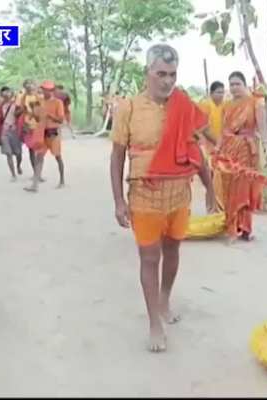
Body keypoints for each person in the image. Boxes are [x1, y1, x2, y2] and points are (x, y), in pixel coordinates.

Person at [110, 44, 215, 353]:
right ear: (148, 73)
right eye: (161, 74)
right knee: (149, 257)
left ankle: (165, 298)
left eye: (172, 75)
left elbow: (198, 150)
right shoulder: (128, 108)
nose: (168, 81)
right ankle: (154, 321)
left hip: (179, 194)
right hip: (144, 195)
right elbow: (117, 157)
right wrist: (118, 200)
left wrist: (210, 187)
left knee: (173, 251)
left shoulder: (183, 106)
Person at [212, 71, 266, 243]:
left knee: (243, 188)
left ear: (244, 84)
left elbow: (262, 128)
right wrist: (217, 149)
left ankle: (245, 229)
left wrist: (265, 147)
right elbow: (223, 130)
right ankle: (232, 228)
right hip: (228, 150)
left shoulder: (255, 103)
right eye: (232, 84)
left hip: (246, 150)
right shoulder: (226, 106)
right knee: (228, 189)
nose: (234, 88)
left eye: (237, 84)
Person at [24, 80, 65, 192]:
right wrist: (32, 116)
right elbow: (37, 117)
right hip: (43, 133)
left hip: (53, 133)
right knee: (39, 157)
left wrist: (49, 115)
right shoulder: (40, 101)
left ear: (52, 90)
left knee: (58, 157)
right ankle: (35, 185)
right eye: (44, 89)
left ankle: (62, 180)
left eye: (48, 89)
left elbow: (61, 119)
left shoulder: (58, 103)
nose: (45, 91)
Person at [0, 86, 23, 181]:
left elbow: (21, 115)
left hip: (15, 131)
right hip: (4, 132)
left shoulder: (17, 104)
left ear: (11, 93)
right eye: (4, 93)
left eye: (8, 92)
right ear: (1, 95)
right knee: (8, 153)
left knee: (18, 153)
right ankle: (13, 175)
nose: (6, 94)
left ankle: (18, 166)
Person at [15, 79, 43, 182]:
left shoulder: (38, 97)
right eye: (27, 84)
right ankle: (36, 173)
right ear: (24, 86)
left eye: (32, 83)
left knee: (39, 150)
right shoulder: (21, 98)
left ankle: (38, 173)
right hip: (27, 125)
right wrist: (23, 111)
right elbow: (16, 113)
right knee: (32, 149)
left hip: (37, 125)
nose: (30, 86)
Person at [198, 81, 226, 152]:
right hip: (208, 143)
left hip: (221, 143)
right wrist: (217, 143)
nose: (221, 95)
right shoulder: (205, 105)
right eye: (218, 92)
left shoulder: (224, 105)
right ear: (211, 93)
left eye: (223, 92)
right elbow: (204, 129)